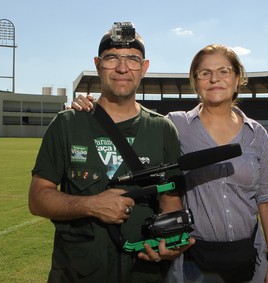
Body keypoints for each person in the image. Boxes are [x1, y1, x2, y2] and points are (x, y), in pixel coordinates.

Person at [71, 44, 268, 283]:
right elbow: (128, 114)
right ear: (195, 81)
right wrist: (90, 106)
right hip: (192, 257)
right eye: (205, 73)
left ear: (237, 79)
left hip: (249, 257)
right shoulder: (174, 124)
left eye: (224, 71)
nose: (215, 79)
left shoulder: (256, 133)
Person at [29, 22, 192, 283]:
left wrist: (170, 244)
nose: (122, 68)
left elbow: (170, 203)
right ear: (97, 63)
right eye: (112, 58)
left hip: (143, 274)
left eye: (132, 59)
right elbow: (37, 199)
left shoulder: (163, 130)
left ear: (144, 67)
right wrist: (91, 205)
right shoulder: (67, 124)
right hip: (77, 273)